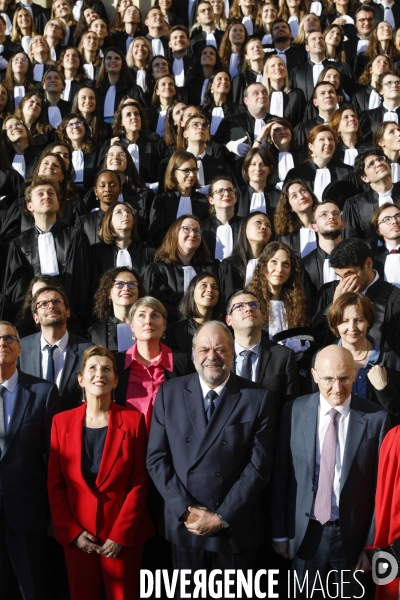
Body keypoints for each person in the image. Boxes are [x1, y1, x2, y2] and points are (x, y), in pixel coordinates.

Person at [146, 320, 276, 592]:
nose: (212, 356)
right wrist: (186, 510)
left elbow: (258, 467)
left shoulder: (258, 398)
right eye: (204, 349)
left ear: (232, 353)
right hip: (186, 527)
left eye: (220, 349)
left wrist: (221, 516)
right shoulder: (170, 393)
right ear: (193, 353)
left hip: (234, 527)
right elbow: (157, 459)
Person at [271, 345, 389, 597]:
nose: (337, 388)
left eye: (345, 377)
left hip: (353, 538)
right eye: (328, 379)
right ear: (314, 376)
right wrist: (280, 533)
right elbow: (282, 475)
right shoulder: (294, 411)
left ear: (355, 374)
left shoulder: (376, 418)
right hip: (305, 534)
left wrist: (371, 547)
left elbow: (381, 490)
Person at [47, 345, 154, 600]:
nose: (100, 373)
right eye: (92, 368)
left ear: (116, 380)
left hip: (122, 536)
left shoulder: (133, 421)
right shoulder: (61, 423)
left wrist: (120, 535)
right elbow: (55, 484)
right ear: (81, 379)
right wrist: (72, 532)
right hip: (78, 535)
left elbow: (139, 482)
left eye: (107, 369)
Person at [0, 320, 60, 600]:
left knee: (32, 590)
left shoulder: (43, 392)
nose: (2, 343)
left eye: (9, 338)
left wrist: (52, 513)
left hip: (27, 514)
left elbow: (54, 458)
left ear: (20, 348)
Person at [2, 177, 91, 325]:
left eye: (51, 193)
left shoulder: (75, 236)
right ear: (29, 206)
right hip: (33, 318)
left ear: (58, 203)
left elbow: (80, 283)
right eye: (40, 193)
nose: (46, 196)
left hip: (70, 316)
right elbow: (16, 289)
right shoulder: (19, 244)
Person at [114, 296, 192, 430]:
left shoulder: (182, 362)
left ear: (165, 325)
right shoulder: (117, 363)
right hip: (128, 443)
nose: (148, 322)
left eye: (155, 315)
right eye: (142, 316)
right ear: (131, 325)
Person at [312, 238, 400, 354]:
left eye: (349, 274)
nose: (344, 282)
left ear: (368, 264)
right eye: (339, 275)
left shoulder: (395, 300)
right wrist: (334, 305)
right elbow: (317, 339)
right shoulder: (329, 291)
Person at [325, 292, 400, 422]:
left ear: (368, 322)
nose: (352, 328)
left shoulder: (390, 359)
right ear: (335, 324)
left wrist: (384, 389)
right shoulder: (323, 358)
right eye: (344, 321)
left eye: (359, 320)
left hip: (379, 438)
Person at [226, 289, 300, 418]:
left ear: (262, 315)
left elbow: (291, 406)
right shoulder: (220, 355)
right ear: (228, 320)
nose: (248, 309)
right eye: (239, 306)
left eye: (253, 305)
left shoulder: (283, 356)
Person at [18, 285, 93, 411]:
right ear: (35, 317)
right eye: (43, 304)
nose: (51, 306)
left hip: (70, 426)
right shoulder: (20, 348)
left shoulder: (87, 350)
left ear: (68, 312)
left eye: (57, 301)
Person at [144, 214, 219, 322]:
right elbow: (154, 306)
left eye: (197, 231)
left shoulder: (212, 268)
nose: (192, 234)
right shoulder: (158, 270)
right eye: (186, 229)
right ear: (175, 233)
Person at [247, 241, 310, 352]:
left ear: (291, 271)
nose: (279, 269)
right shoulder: (250, 303)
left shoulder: (298, 304)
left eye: (285, 264)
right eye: (273, 262)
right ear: (263, 265)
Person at [149, 150, 209, 248]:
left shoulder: (203, 201)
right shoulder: (162, 200)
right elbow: (156, 236)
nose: (192, 175)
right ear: (173, 173)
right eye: (186, 170)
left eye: (194, 170)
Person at [91, 201, 155, 291]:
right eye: (119, 212)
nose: (125, 214)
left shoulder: (148, 252)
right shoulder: (96, 253)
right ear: (109, 220)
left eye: (128, 212)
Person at [285, 125, 356, 203]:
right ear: (311, 146)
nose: (328, 143)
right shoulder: (297, 174)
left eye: (331, 139)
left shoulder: (347, 171)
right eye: (322, 139)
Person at [343, 147, 400, 240]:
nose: (378, 163)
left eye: (380, 159)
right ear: (364, 178)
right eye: (371, 164)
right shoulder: (354, 205)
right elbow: (352, 243)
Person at [165, 271, 222, 357]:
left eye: (214, 287)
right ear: (192, 291)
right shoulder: (173, 332)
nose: (210, 290)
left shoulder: (224, 331)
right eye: (203, 285)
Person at [219, 211, 273, 302]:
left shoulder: (273, 264)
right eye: (258, 223)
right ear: (243, 228)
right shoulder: (230, 265)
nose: (264, 227)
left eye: (268, 226)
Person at [88, 267, 143, 351]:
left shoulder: (147, 325)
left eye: (132, 284)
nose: (126, 288)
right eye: (119, 284)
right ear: (108, 293)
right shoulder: (96, 332)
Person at [300, 200, 343, 307]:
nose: (331, 217)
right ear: (314, 227)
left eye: (335, 214)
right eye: (324, 214)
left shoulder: (358, 258)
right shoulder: (303, 266)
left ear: (343, 224)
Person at [213, 82, 272, 158]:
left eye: (264, 92)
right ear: (246, 101)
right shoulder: (231, 121)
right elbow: (213, 146)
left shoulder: (278, 122)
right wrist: (230, 146)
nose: (261, 95)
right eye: (255, 93)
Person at [274, 179, 319, 259]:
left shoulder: (326, 226)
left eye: (303, 191)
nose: (302, 197)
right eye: (294, 196)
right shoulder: (285, 237)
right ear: (290, 207)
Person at [202, 176, 241, 260]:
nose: (226, 194)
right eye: (220, 191)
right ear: (211, 200)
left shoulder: (246, 224)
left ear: (235, 198)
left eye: (230, 190)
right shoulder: (203, 227)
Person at [262, 54, 306, 128]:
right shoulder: (263, 96)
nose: (278, 68)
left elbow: (301, 121)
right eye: (273, 66)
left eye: (280, 65)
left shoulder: (297, 94)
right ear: (267, 74)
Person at [294, 82, 339, 148]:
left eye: (331, 92)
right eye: (322, 93)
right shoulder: (305, 128)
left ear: (337, 99)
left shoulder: (346, 124)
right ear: (315, 102)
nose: (328, 96)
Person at [360, 69, 400, 140]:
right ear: (380, 90)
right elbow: (363, 142)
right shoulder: (368, 116)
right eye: (388, 83)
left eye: (397, 82)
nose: (394, 85)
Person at [237, 146, 275, 215]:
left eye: (262, 164)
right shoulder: (237, 194)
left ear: (270, 169)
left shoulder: (278, 196)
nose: (258, 169)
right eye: (253, 164)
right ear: (246, 169)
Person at [370, 202, 400, 288]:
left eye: (398, 216)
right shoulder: (371, 258)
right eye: (387, 219)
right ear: (378, 231)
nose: (394, 221)